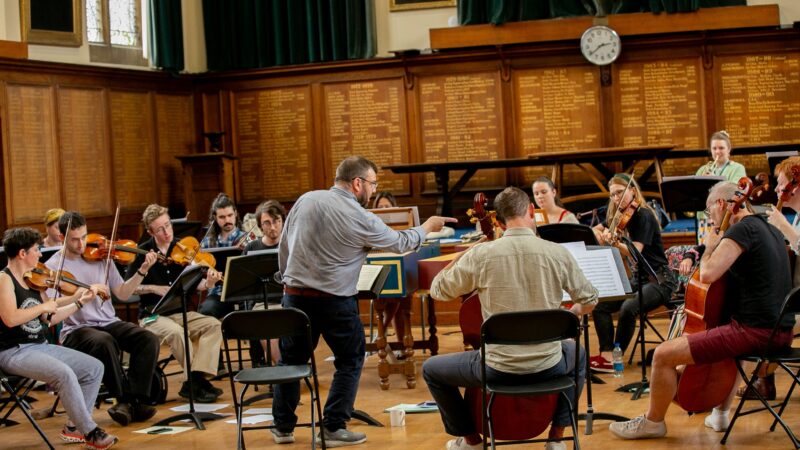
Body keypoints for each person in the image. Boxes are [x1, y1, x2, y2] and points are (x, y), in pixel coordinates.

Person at [273, 156, 455, 447]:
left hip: (293, 297)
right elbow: (400, 243)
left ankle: (282, 427)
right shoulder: (358, 216)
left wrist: (286, 280)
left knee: (290, 362)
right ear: (357, 183)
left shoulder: (305, 200)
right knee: (350, 359)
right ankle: (333, 427)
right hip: (335, 302)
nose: (373, 190)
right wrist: (428, 227)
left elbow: (284, 245)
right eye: (372, 184)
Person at [609, 181, 794, 440]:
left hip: (755, 333)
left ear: (721, 204)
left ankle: (653, 422)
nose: (711, 219)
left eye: (709, 213)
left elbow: (707, 274)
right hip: (782, 333)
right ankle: (719, 415)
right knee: (730, 346)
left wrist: (709, 246)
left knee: (662, 354)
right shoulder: (771, 230)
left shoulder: (742, 230)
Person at [422, 186, 598, 450]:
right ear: (530, 212)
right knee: (579, 355)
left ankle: (470, 440)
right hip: (549, 364)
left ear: (499, 221)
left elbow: (438, 289)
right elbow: (590, 299)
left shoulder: (482, 255)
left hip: (497, 370)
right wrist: (570, 313)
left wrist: (466, 253)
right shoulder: (557, 253)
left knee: (431, 370)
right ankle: (557, 437)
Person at [0, 227, 118, 449]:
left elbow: (50, 319)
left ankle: (74, 428)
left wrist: (79, 301)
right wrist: (44, 306)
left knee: (94, 368)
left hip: (40, 346)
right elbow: (10, 318)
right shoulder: (3, 280)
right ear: (22, 253)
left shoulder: (34, 279)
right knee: (64, 374)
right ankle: (90, 431)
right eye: (36, 250)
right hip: (13, 351)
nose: (40, 254)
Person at [45, 211, 160, 427]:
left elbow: (123, 293)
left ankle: (136, 400)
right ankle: (124, 400)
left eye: (84, 237)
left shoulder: (100, 256)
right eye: (74, 239)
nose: (81, 245)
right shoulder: (53, 267)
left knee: (148, 339)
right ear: (61, 237)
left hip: (108, 322)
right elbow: (52, 306)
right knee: (104, 342)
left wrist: (142, 271)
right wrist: (79, 296)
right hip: (76, 329)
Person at [125, 204, 224, 403]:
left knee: (214, 325)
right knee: (178, 333)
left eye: (168, 225)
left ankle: (195, 380)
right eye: (160, 229)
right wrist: (153, 287)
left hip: (181, 312)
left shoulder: (183, 247)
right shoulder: (142, 252)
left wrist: (209, 283)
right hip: (153, 315)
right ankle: (196, 384)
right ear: (150, 231)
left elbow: (197, 285)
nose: (167, 232)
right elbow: (128, 289)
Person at [590, 174, 677, 372]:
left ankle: (616, 358)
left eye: (620, 192)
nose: (616, 198)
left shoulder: (643, 215)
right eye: (612, 195)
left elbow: (635, 252)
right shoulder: (618, 216)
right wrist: (600, 234)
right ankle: (606, 354)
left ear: (632, 191)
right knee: (600, 304)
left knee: (629, 307)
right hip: (639, 279)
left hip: (660, 280)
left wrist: (616, 243)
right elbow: (594, 229)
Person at [242, 199, 286, 366]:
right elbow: (245, 285)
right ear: (260, 226)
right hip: (262, 303)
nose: (272, 227)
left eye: (276, 221)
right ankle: (283, 370)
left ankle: (286, 368)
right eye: (267, 223)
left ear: (282, 221)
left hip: (288, 299)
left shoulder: (291, 244)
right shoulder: (252, 248)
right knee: (266, 324)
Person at [197, 192, 245, 319]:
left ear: (235, 213)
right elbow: (198, 275)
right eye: (222, 217)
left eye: (230, 215)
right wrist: (209, 281)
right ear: (215, 218)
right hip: (217, 293)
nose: (227, 220)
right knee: (206, 311)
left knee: (255, 314)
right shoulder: (207, 243)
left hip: (244, 293)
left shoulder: (246, 239)